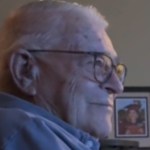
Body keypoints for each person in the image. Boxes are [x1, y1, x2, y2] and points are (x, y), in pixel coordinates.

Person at [0, 0, 126, 150]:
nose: (117, 86)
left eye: (115, 70)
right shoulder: (27, 132)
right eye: (97, 64)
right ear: (25, 70)